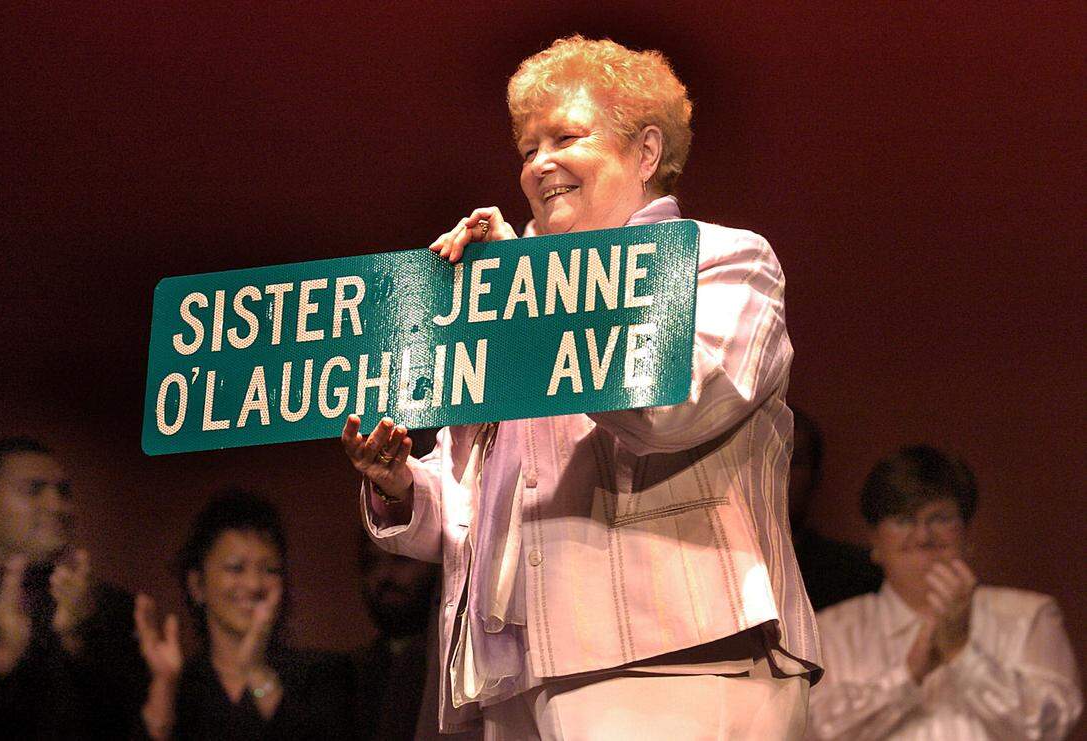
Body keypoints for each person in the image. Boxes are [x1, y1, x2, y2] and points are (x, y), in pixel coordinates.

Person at [342, 35, 819, 739]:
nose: (540, 165)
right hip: (513, 685)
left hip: (677, 663)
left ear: (647, 153)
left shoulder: (723, 262)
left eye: (566, 136)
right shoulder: (501, 293)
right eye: (528, 149)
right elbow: (475, 507)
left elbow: (671, 404)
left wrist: (529, 293)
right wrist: (401, 484)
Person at [807, 445, 1082, 740]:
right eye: (904, 520)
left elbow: (1053, 726)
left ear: (968, 534)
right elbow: (811, 730)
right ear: (874, 540)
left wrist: (962, 654)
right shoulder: (829, 629)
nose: (923, 536)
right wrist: (908, 675)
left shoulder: (1030, 615)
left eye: (940, 518)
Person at [0, 436, 147, 738]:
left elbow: (136, 724)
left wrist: (75, 640)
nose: (58, 505)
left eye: (63, 492)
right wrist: (3, 657)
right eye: (33, 489)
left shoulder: (114, 608)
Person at [134, 489, 354, 739]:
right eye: (236, 568)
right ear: (197, 586)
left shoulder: (321, 674)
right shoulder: (180, 685)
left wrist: (256, 671)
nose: (254, 585)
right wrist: (164, 684)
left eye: (269, 570)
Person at [789, 407, 883, 611]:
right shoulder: (714, 566)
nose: (780, 474)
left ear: (814, 477)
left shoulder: (855, 573)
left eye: (793, 461)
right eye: (768, 461)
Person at [352, 531, 442, 740]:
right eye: (371, 562)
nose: (384, 575)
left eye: (401, 559)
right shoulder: (351, 673)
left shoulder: (454, 668)